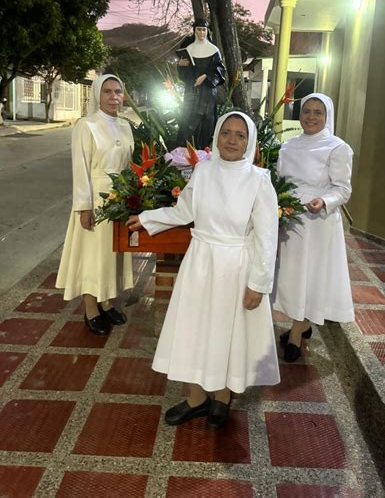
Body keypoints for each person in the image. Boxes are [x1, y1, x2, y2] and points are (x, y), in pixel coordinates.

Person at [127, 111, 280, 429]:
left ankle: (222, 398)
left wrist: (258, 284)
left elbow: (266, 239)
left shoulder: (259, 181)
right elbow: (184, 211)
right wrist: (147, 218)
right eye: (227, 132)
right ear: (217, 135)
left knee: (226, 331)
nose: (232, 140)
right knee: (194, 329)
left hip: (235, 266)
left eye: (240, 135)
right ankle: (196, 399)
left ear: (249, 141)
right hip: (200, 262)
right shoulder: (203, 170)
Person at [273, 93, 354, 362]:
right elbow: (279, 179)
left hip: (318, 222)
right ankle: (302, 324)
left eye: (318, 112)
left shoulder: (337, 147)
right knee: (292, 276)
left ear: (327, 115)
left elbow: (342, 189)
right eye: (306, 110)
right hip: (291, 218)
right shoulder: (288, 145)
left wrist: (325, 200)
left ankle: (297, 333)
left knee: (311, 277)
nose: (310, 116)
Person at [56, 74, 134, 335]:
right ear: (97, 96)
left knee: (113, 254)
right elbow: (80, 169)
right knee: (92, 255)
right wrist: (84, 207)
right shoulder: (86, 125)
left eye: (118, 92)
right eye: (108, 92)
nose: (114, 97)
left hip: (120, 200)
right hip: (96, 200)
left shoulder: (125, 125)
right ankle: (91, 308)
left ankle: (107, 301)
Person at [176, 18, 225, 149]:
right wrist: (180, 66)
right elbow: (183, 76)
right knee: (187, 120)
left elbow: (220, 71)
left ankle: (204, 150)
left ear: (207, 31)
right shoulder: (189, 49)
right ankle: (187, 153)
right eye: (199, 29)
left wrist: (205, 76)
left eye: (204, 30)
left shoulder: (214, 50)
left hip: (208, 93)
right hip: (191, 93)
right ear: (194, 31)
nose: (202, 32)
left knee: (206, 121)